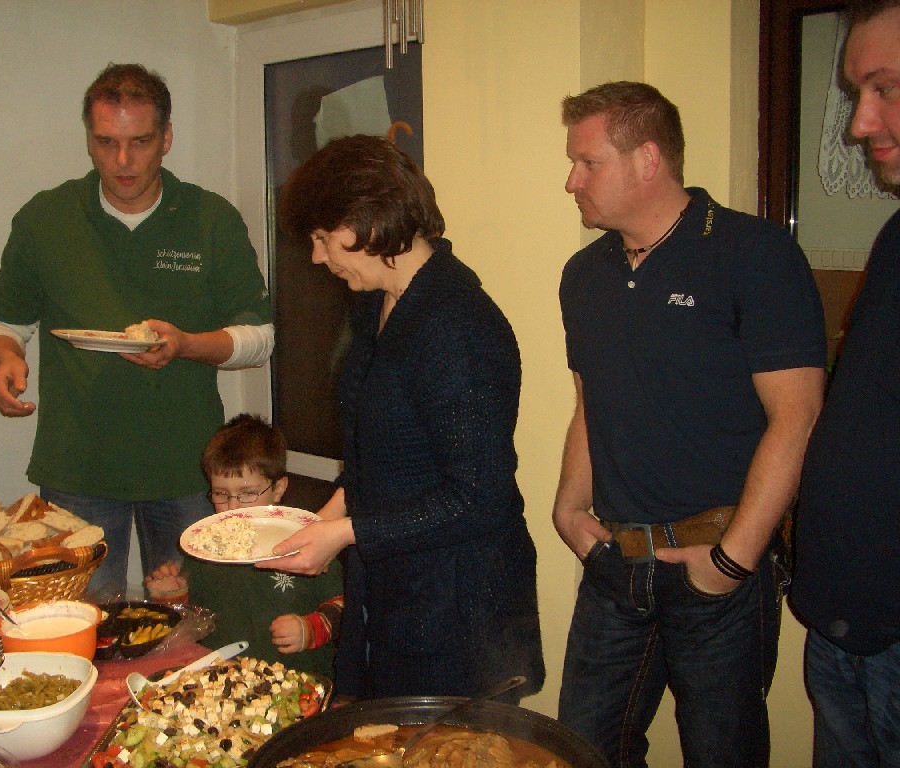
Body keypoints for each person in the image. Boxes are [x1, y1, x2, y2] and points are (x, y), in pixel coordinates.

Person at [552, 81, 826, 767]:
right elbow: (590, 403)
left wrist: (732, 562)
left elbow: (797, 417)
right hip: (614, 565)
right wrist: (568, 508)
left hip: (716, 568)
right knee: (582, 752)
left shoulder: (752, 253)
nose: (571, 181)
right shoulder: (583, 275)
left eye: (588, 163)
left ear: (648, 160)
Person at [258, 134, 545, 703]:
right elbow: (379, 452)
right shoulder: (375, 305)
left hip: (459, 608)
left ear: (367, 221)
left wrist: (344, 533)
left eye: (322, 238)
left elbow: (478, 499)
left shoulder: (458, 327)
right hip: (394, 588)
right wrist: (326, 517)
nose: (317, 257)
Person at [0, 63, 274, 601]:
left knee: (193, 616)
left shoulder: (210, 218)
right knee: (84, 623)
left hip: (191, 469)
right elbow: (5, 323)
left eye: (139, 141)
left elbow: (259, 338)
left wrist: (187, 345)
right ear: (88, 140)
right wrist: (5, 359)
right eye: (106, 142)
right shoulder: (46, 218)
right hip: (77, 467)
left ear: (166, 138)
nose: (122, 160)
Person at [790, 2, 900, 765]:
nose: (860, 124)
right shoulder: (895, 239)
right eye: (858, 93)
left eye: (885, 88)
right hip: (842, 626)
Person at [147, 414, 343, 678]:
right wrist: (173, 595)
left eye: (247, 493)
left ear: (278, 488)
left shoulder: (308, 541)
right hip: (222, 677)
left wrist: (311, 628)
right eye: (221, 493)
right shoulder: (203, 546)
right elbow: (194, 618)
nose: (232, 507)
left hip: (297, 679)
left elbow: (344, 606)